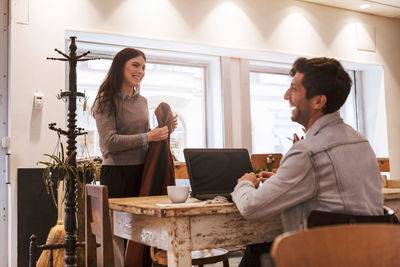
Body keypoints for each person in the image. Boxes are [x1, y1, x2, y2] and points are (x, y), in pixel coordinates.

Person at [232, 57, 383, 267]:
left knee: (256, 250)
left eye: (294, 89)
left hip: (322, 258)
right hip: (366, 257)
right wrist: (283, 179)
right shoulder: (362, 142)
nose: (286, 96)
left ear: (318, 101)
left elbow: (250, 207)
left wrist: (245, 183)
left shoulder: (307, 152)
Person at [91, 47, 176, 266]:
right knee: (119, 235)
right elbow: (109, 142)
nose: (141, 71)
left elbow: (146, 141)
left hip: (142, 172)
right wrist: (148, 136)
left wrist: (165, 133)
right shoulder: (104, 100)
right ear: (120, 67)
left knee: (142, 232)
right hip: (117, 173)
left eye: (144, 67)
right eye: (135, 65)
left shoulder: (142, 101)